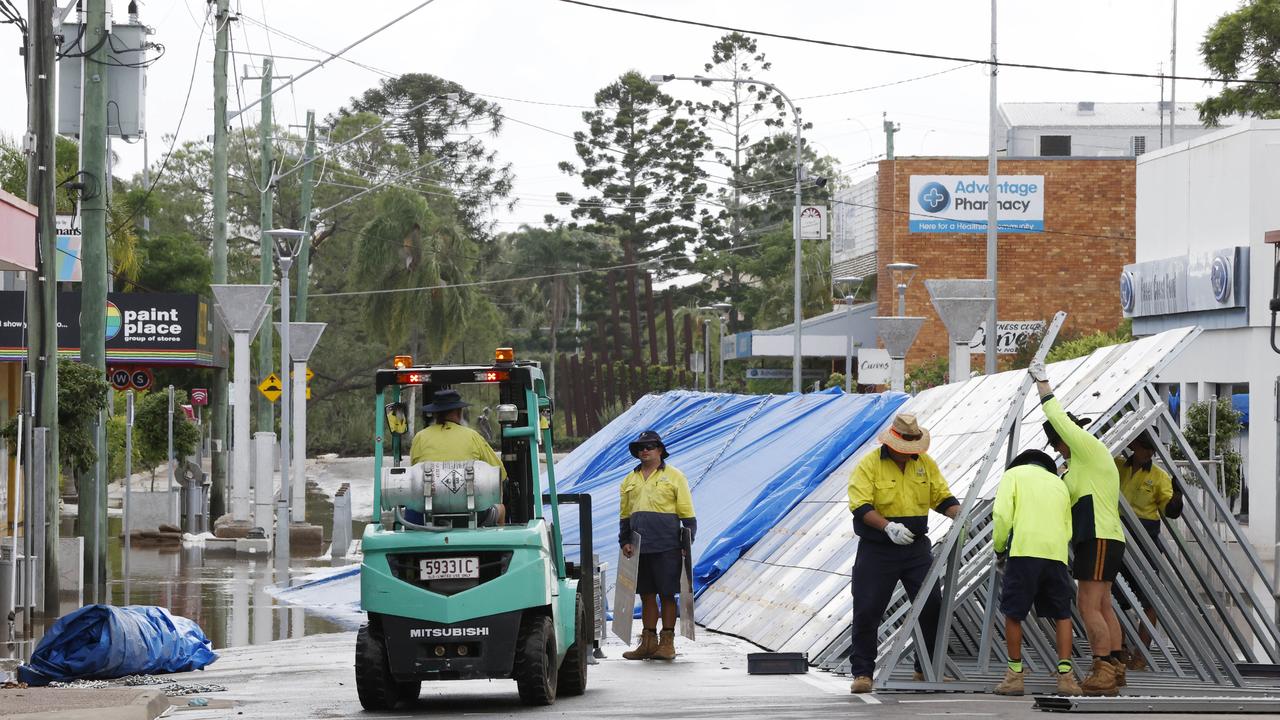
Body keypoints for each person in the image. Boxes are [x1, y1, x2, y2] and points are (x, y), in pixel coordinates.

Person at [846, 413, 961, 694]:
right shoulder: (870, 465)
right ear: (893, 442)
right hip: (878, 548)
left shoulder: (924, 464)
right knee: (867, 608)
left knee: (931, 604)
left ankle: (925, 669)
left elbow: (941, 497)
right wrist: (887, 527)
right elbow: (859, 505)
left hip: (915, 548)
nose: (909, 453)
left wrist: (958, 513)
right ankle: (863, 673)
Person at [1030, 360, 1125, 696]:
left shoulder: (1086, 447)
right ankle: (1114, 665)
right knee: (1102, 605)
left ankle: (1102, 670)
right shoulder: (1079, 467)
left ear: (1065, 438)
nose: (1058, 450)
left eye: (1057, 444)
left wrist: (1043, 384)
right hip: (1102, 537)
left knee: (1087, 605)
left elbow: (1056, 418)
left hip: (1098, 536)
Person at [992, 449, 1082, 696]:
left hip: (1024, 551)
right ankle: (1066, 677)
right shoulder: (1059, 483)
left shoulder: (1013, 475)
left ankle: (1014, 675)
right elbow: (1067, 526)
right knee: (1062, 614)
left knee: (1013, 613)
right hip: (1055, 555)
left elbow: (1001, 515)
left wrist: (1000, 549)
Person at [618, 430, 696, 662]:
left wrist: (686, 544)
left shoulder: (675, 476)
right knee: (646, 594)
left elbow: (687, 514)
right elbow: (624, 515)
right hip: (640, 546)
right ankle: (648, 642)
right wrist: (625, 541)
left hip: (667, 545)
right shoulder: (629, 479)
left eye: (650, 446)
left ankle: (667, 643)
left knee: (667, 593)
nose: (645, 450)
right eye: (640, 447)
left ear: (660, 450)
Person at [1115, 432, 1176, 671]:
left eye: (1152, 449)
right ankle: (1119, 648)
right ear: (1132, 445)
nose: (1150, 453)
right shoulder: (1117, 465)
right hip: (1118, 533)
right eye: (1146, 447)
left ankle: (1141, 655)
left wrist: (1176, 500)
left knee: (1149, 599)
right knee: (1112, 595)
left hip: (1145, 538)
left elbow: (1169, 510)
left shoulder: (1159, 476)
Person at [407, 389, 507, 525]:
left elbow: (415, 475)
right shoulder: (472, 436)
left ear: (435, 414)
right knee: (501, 508)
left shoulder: (420, 437)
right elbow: (499, 475)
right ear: (459, 413)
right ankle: (497, 544)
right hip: (470, 516)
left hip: (428, 514)